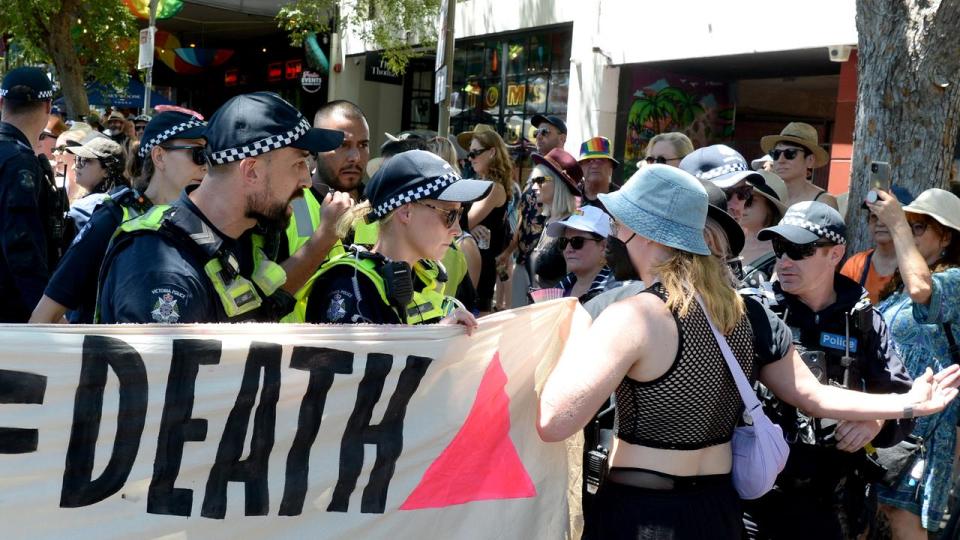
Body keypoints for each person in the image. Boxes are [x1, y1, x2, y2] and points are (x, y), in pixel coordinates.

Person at [537, 164, 960, 540]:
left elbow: (555, 422)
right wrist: (903, 403)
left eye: (617, 223)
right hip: (720, 511)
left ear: (644, 231)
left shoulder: (633, 315)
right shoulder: (746, 312)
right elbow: (812, 395)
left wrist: (573, 341)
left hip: (642, 512)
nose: (612, 235)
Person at [96, 91, 344, 324]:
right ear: (251, 171)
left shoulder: (248, 237)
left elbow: (259, 312)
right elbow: (158, 368)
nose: (307, 180)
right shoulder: (162, 265)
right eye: (298, 163)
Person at [744, 201, 914, 539]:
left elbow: (903, 400)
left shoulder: (861, 318)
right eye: (780, 247)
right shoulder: (756, 311)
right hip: (757, 494)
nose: (784, 260)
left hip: (832, 497)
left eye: (799, 249)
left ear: (835, 254)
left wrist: (875, 421)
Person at [31, 111, 208, 324]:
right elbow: (45, 315)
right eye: (198, 153)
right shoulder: (112, 218)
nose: (206, 164)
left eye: (210, 154)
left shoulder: (205, 224)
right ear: (159, 156)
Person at [304, 150, 490, 327]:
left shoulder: (428, 276)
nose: (457, 230)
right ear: (406, 212)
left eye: (459, 214)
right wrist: (435, 337)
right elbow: (356, 359)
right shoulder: (350, 284)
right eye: (449, 215)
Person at [868, 188, 960, 537]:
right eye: (907, 225)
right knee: (869, 512)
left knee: (902, 517)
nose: (906, 231)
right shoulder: (897, 288)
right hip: (887, 421)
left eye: (918, 227)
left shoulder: (955, 281)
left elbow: (924, 289)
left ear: (946, 237)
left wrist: (895, 223)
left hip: (927, 425)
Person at [0, 66, 62, 322]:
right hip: (12, 315)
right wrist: (47, 312)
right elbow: (21, 243)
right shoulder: (19, 162)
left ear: (2, 102)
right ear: (48, 107)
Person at [498, 147, 581, 307]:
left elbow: (576, 282)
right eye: (532, 181)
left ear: (559, 184)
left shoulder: (573, 226)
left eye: (540, 180)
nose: (534, 187)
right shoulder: (548, 219)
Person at [457, 124, 513, 313]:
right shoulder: (481, 183)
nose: (470, 158)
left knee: (476, 328)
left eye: (475, 153)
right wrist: (469, 229)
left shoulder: (494, 188)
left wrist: (467, 228)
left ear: (492, 152)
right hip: (474, 261)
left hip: (482, 267)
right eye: (469, 154)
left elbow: (463, 223)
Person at [840, 185, 915, 305]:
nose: (880, 222)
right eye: (874, 216)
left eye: (887, 217)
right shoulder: (855, 265)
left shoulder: (915, 267)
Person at [760, 122, 838, 209]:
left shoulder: (823, 201)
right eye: (776, 154)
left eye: (790, 153)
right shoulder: (766, 197)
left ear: (810, 160)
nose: (780, 160)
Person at [546, 205, 613, 303]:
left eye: (577, 241)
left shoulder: (616, 293)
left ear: (603, 246)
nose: (568, 249)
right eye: (563, 241)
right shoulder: (559, 290)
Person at [64, 134, 128, 234]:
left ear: (107, 171)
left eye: (85, 160)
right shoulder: (123, 198)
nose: (76, 166)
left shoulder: (84, 208)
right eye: (77, 159)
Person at [738, 170, 788, 288]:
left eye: (749, 200)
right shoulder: (727, 240)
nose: (740, 204)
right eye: (740, 196)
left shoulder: (783, 251)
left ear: (770, 207)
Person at [313, 99, 370, 203]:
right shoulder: (289, 205)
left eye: (363, 145)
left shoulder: (380, 204)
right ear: (316, 147)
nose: (356, 158)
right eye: (343, 145)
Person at [577, 136, 618, 206]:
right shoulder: (571, 197)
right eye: (588, 161)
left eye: (601, 160)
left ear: (610, 168)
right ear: (580, 168)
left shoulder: (620, 200)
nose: (595, 166)